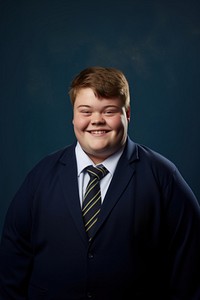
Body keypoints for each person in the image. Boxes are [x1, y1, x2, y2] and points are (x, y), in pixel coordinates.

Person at [0, 66, 200, 300]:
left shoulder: (164, 177)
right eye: (86, 111)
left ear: (127, 114)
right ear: (73, 116)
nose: (96, 120)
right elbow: (12, 261)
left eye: (109, 111)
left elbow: (191, 267)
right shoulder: (40, 177)